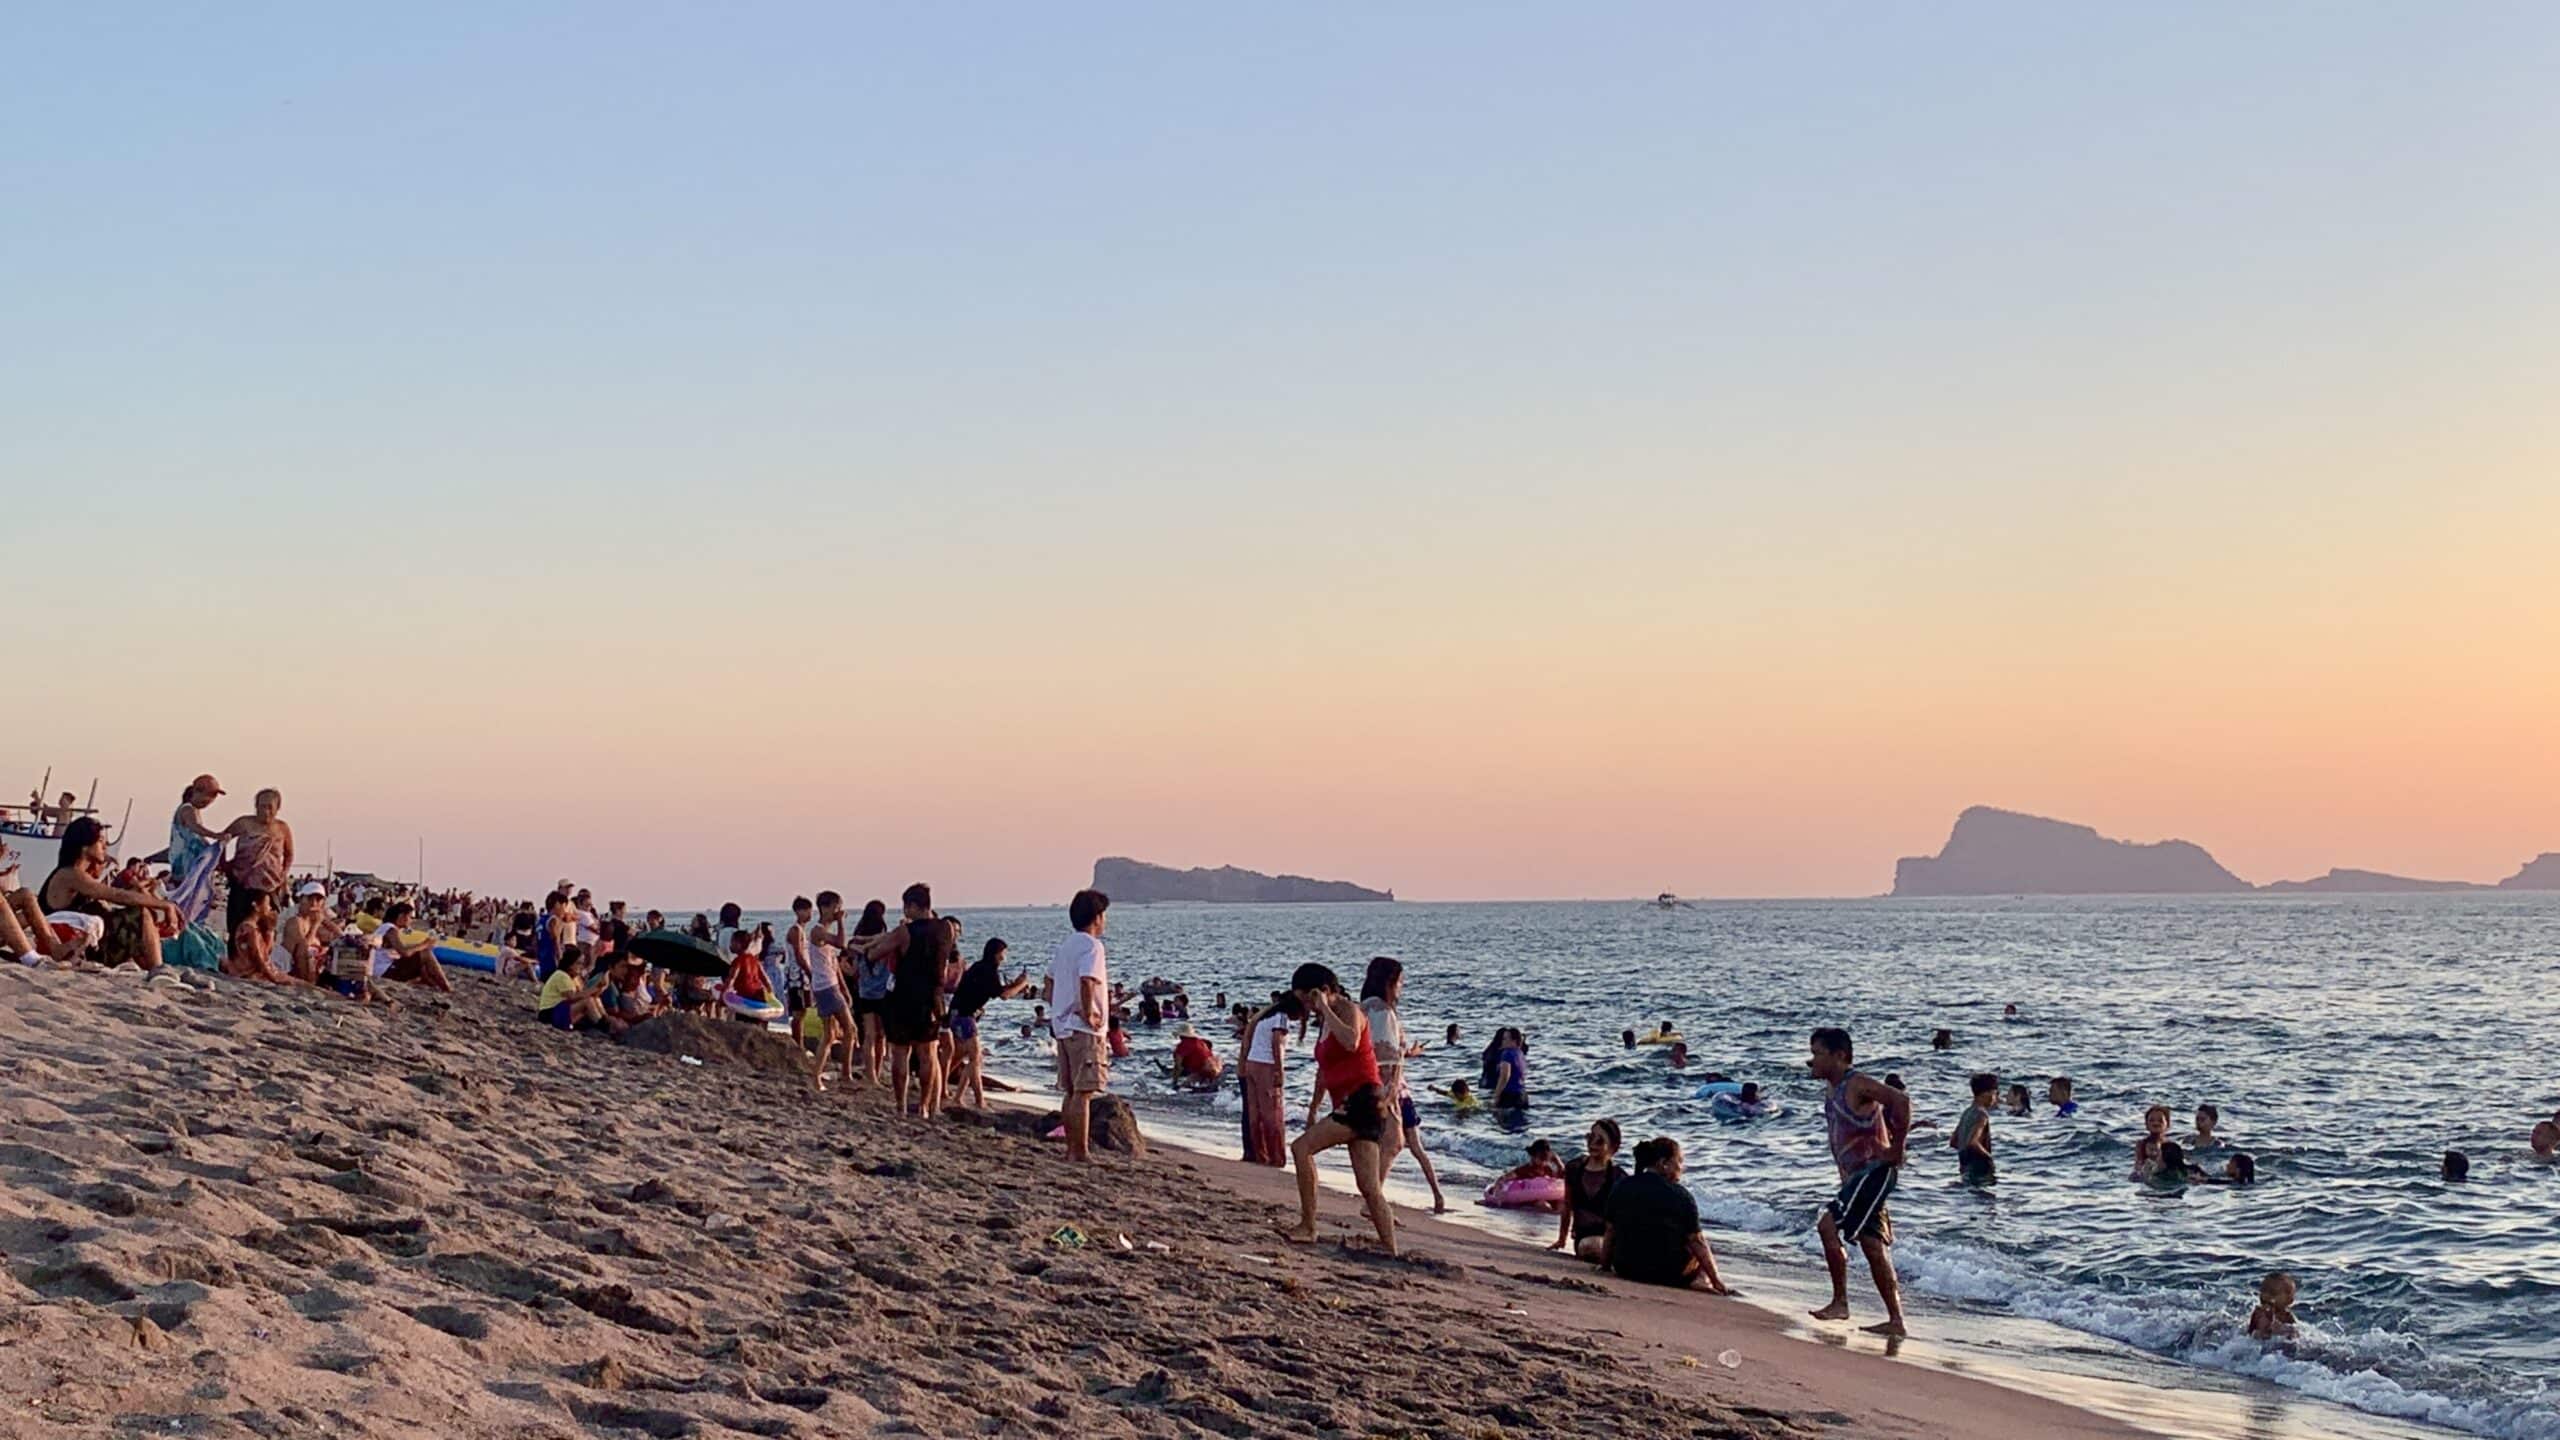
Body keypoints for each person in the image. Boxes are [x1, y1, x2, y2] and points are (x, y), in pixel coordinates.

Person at [1276, 962, 1395, 1256]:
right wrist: (1314, 1108)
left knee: (1301, 1149)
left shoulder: (1349, 1011)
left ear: (1324, 991)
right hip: (1352, 1103)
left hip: (1365, 1101)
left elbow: (1352, 1042)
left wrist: (1326, 1008)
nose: (1307, 1006)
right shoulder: (1325, 1021)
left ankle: (1308, 1226)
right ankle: (1389, 1246)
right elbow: (1324, 1071)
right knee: (1368, 1185)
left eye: (1308, 998)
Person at [1807, 1026, 1911, 1336]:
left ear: (1840, 1056)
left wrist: (1897, 1147)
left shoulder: (1857, 1084)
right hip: (1856, 1178)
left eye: (1817, 1054)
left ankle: (1841, 1302)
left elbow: (1900, 1101)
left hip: (1873, 1172)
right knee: (1872, 1245)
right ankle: (1896, 1321)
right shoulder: (1832, 1089)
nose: (1812, 1061)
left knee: (1827, 1224)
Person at [1360, 955, 1448, 1211]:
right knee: (1395, 1143)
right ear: (1390, 983)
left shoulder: (1365, 1007)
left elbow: (1381, 1051)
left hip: (1373, 1085)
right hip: (1390, 1089)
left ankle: (1374, 1198)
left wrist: (1408, 1053)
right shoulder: (1383, 1012)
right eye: (1400, 982)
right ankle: (1373, 1200)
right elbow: (1386, 1059)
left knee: (1386, 1144)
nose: (1402, 987)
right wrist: (1389, 1097)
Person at [38, 817, 174, 970]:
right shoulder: (71, 875)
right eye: (101, 840)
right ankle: (157, 969)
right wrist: (165, 905)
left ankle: (151, 967)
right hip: (71, 944)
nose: (105, 846)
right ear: (84, 846)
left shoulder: (74, 873)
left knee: (129, 917)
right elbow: (117, 895)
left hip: (81, 942)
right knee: (141, 913)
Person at [1601, 1137, 1729, 1294]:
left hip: (1626, 1267)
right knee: (1697, 1244)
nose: (1682, 1168)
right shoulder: (1681, 1195)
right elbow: (1697, 1242)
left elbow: (1610, 1231)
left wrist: (1605, 1265)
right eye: (1679, 1161)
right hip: (1668, 1274)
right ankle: (1702, 1280)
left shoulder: (1621, 1185)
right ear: (1663, 1163)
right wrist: (1717, 1281)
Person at [1043, 889, 1112, 1161]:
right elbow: (1087, 980)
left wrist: (1058, 1005)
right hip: (1082, 1028)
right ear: (1097, 917)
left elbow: (1048, 982)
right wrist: (1088, 1012)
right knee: (1083, 1093)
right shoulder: (1092, 946)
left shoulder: (1066, 946)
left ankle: (1072, 1149)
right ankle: (1079, 1151)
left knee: (1071, 1091)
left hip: (1063, 1026)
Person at [948, 936, 1029, 1110]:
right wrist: (1021, 985)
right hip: (964, 1015)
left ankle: (960, 1097)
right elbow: (1004, 995)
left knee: (973, 1058)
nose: (1004, 957)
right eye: (1003, 953)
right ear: (996, 954)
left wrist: (1014, 984)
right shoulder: (988, 971)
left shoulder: (980, 967)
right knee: (975, 1058)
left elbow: (996, 990)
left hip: (959, 1014)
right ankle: (978, 1100)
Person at [220, 789, 294, 938]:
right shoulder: (244, 823)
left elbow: (289, 854)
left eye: (269, 807)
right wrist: (224, 865)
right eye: (261, 806)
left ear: (277, 808)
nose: (265, 811)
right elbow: (222, 839)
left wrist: (283, 874)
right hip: (243, 882)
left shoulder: (282, 828)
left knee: (266, 927)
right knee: (237, 926)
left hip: (269, 884)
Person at [1238, 990, 1300, 1166]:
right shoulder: (1281, 1018)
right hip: (1266, 1064)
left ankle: (1260, 1154)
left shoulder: (1264, 1017)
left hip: (1252, 1062)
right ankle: (1276, 1157)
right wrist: (1280, 1070)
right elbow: (1277, 1044)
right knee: (1272, 1112)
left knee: (1255, 1112)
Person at [1551, 1119, 1626, 1261]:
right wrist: (1562, 1239)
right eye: (1590, 1137)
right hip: (1584, 1238)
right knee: (1590, 1246)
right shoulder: (1574, 1168)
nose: (1592, 1144)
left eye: (1599, 1141)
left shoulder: (1618, 1177)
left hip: (1608, 1237)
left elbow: (1621, 1219)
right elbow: (1567, 1205)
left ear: (1613, 1147)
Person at [850, 899, 893, 1085]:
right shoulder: (884, 935)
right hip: (883, 991)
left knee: (869, 1035)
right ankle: (876, 1071)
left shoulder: (858, 936)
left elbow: (854, 964)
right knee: (881, 1036)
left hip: (865, 990)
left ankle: (871, 1075)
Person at [367, 901, 453, 991]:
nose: (411, 920)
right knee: (425, 953)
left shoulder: (386, 927)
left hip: (380, 969)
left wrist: (420, 946)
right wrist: (424, 944)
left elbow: (400, 949)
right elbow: (405, 953)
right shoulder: (390, 929)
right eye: (410, 917)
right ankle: (447, 988)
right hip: (383, 971)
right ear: (401, 916)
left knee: (422, 964)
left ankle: (436, 986)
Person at [535, 946, 610, 1031]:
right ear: (570, 964)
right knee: (588, 1001)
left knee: (594, 999)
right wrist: (596, 987)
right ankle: (601, 1026)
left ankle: (605, 1022)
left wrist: (601, 987)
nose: (581, 966)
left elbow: (583, 994)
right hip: (549, 1013)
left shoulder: (572, 978)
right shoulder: (561, 975)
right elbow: (572, 997)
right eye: (579, 963)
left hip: (558, 1010)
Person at [1953, 1074, 1997, 1185]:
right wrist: (1989, 1157)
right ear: (1986, 1094)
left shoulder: (1966, 1113)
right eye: (1994, 1093)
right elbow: (1973, 1143)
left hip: (1964, 1168)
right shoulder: (1982, 1114)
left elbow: (1953, 1141)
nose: (1995, 1098)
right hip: (1979, 1169)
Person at [1485, 1027, 1529, 1111]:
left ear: (1514, 1041)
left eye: (1505, 1039)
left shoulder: (1507, 1053)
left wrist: (1497, 1095)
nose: (1502, 1041)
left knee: (1501, 1120)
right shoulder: (1520, 1054)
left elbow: (1505, 1075)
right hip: (1522, 1094)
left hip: (1510, 1095)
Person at [2247, 1272, 2298, 1340]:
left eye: (2273, 1293)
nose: (2266, 1296)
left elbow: (2295, 1337)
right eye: (2263, 1290)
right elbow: (2249, 1334)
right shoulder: (2258, 1313)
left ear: (2289, 1300)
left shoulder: (2287, 1316)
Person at [1170, 1024, 1222, 1088]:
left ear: (1180, 1036)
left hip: (1201, 1072)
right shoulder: (1202, 1042)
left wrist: (1174, 1082)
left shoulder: (1182, 1046)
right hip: (1216, 1069)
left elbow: (1178, 1067)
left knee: (1181, 1088)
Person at [2133, 1105, 2173, 1179]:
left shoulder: (2170, 1146)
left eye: (2160, 1120)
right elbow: (2138, 1164)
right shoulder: (2141, 1144)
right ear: (2146, 1125)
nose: (2156, 1123)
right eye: (2151, 1120)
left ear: (2168, 1125)